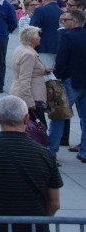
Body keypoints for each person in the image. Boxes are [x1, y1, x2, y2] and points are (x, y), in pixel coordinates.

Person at [0, 96, 62, 232]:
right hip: (35, 227)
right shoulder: (46, 155)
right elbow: (55, 203)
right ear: (26, 118)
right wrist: (40, 220)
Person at [55, 9, 86, 163]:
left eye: (66, 20)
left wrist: (58, 77)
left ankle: (52, 150)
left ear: (74, 22)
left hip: (71, 82)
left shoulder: (67, 37)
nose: (63, 21)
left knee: (59, 116)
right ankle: (85, 152)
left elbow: (61, 60)